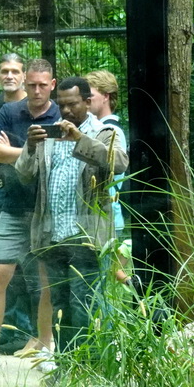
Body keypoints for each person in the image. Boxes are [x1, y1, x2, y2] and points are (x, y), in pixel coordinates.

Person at [16, 76, 129, 352]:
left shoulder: (103, 132)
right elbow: (24, 175)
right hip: (53, 235)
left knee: (84, 306)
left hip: (86, 235)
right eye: (62, 105)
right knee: (60, 308)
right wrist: (30, 146)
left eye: (73, 104)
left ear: (89, 102)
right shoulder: (50, 133)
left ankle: (87, 368)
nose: (66, 111)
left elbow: (120, 163)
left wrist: (80, 139)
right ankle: (66, 366)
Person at [0, 58, 59, 374]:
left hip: (46, 209)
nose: (35, 90)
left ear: (52, 85)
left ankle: (47, 348)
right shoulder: (8, 112)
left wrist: (14, 151)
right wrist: (31, 150)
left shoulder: (58, 113)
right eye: (31, 84)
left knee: (46, 280)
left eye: (41, 85)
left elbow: (56, 156)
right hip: (13, 205)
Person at [0, 53, 34, 353]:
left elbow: (27, 152)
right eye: (4, 71)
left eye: (15, 71)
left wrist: (6, 151)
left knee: (25, 268)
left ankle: (24, 331)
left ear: (24, 75)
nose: (9, 76)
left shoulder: (33, 107)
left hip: (22, 195)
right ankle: (5, 330)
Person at [85, 70, 133, 285]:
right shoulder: (97, 128)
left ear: (106, 96)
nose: (86, 101)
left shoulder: (111, 130)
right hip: (100, 215)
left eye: (91, 96)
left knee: (102, 281)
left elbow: (116, 171)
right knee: (105, 276)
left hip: (106, 215)